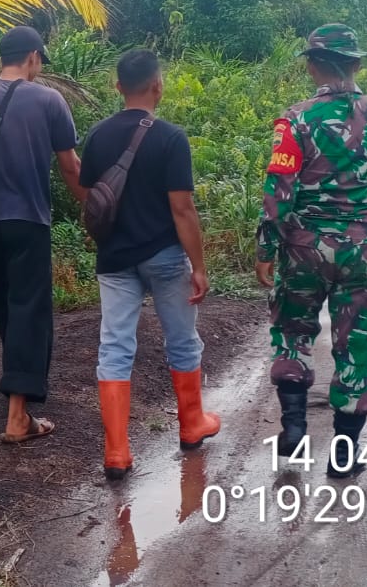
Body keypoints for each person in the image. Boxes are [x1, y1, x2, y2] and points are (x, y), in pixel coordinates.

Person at [255, 24, 367, 479]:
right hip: (363, 248)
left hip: (304, 247)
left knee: (294, 330)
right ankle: (344, 452)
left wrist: (267, 246)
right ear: (356, 64)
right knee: (357, 340)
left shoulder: (296, 120)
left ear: (313, 64)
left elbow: (279, 190)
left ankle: (296, 429)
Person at [79, 49, 218, 480]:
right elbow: (183, 209)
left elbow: (91, 199)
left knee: (115, 347)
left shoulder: (98, 136)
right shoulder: (170, 137)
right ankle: (191, 425)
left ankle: (117, 451)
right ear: (158, 86)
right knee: (181, 340)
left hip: (115, 259)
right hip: (164, 255)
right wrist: (198, 265)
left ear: (117, 87)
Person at [0, 26, 85, 443]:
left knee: (5, 304)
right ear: (33, 57)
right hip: (28, 220)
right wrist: (93, 209)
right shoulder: (49, 100)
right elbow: (71, 167)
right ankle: (18, 414)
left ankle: (17, 384)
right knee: (29, 308)